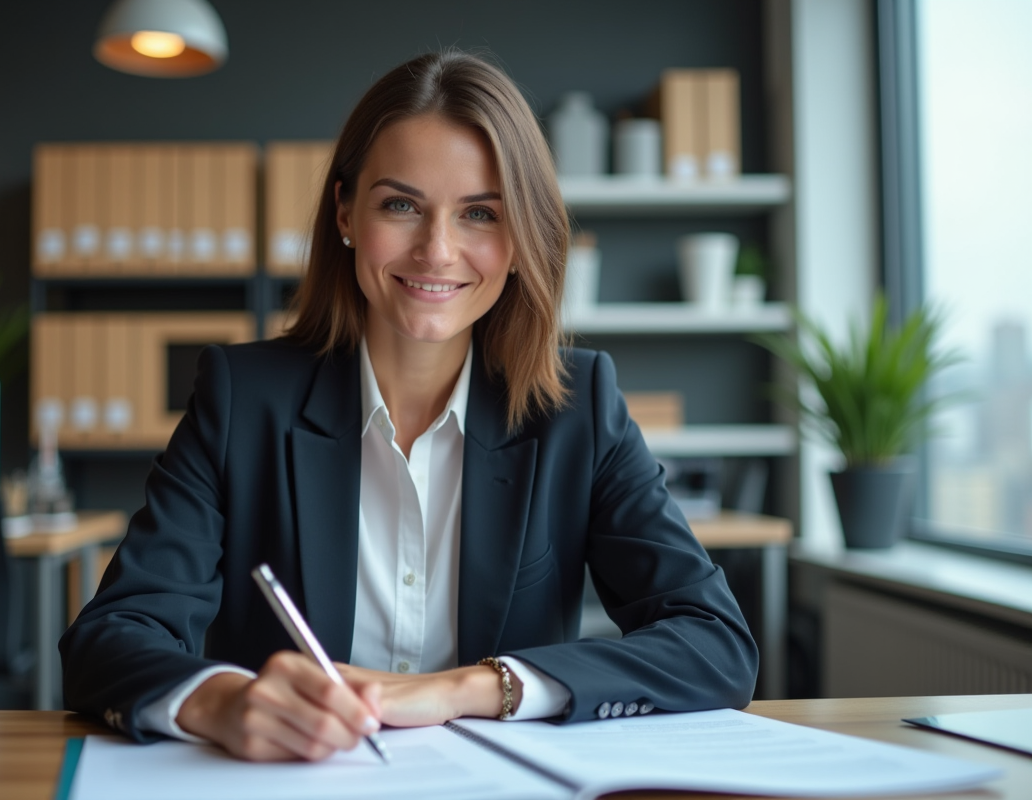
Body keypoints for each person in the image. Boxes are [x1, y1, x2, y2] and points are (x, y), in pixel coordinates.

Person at [60, 49, 757, 762]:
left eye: (480, 214)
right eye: (401, 205)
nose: (437, 250)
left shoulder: (579, 408)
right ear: (345, 213)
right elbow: (110, 638)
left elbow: (715, 643)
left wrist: (470, 688)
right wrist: (221, 702)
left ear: (520, 239)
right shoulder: (244, 399)